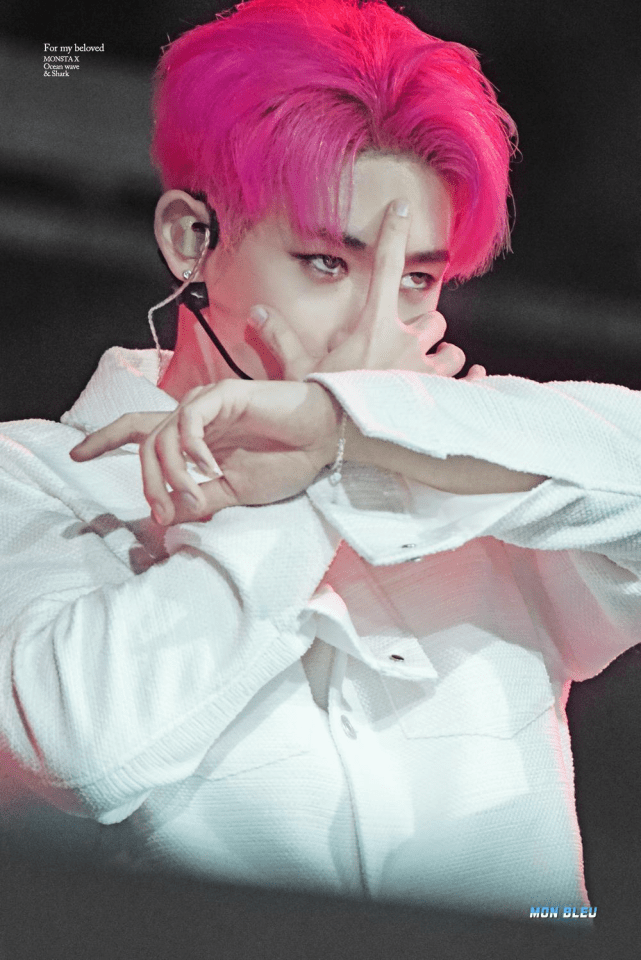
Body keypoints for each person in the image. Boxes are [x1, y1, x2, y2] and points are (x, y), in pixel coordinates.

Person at [0, 0, 638, 919]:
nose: (374, 331)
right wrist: (302, 482)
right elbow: (74, 755)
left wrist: (355, 428)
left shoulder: (476, 456)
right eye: (328, 264)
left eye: (415, 279)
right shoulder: (35, 477)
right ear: (190, 238)